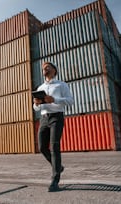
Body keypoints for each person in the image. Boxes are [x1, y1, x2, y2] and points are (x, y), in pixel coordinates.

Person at [33, 62, 74, 192]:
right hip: (44, 118)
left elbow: (70, 101)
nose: (44, 69)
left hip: (57, 117)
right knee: (42, 147)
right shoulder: (40, 88)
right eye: (43, 68)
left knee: (55, 146)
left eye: (47, 67)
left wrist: (54, 100)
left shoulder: (61, 85)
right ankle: (58, 166)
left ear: (54, 70)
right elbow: (35, 108)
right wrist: (37, 104)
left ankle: (55, 181)